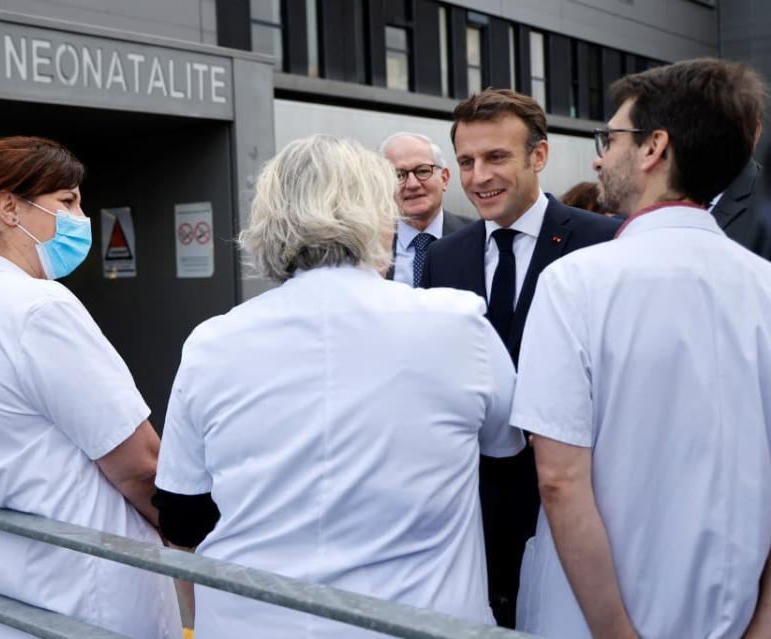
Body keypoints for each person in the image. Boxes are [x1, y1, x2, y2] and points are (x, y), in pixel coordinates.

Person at [153, 134, 524, 639]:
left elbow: (181, 519)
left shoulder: (213, 343)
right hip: (419, 623)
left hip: (254, 624)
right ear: (376, 216)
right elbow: (507, 450)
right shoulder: (456, 326)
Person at [512, 58, 771, 638]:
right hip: (731, 620)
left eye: (611, 138)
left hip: (591, 621)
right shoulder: (766, 288)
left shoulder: (574, 282)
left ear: (655, 147)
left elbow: (558, 479)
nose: (600, 156)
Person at [0, 136, 180, 638]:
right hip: (82, 595)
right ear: (8, 207)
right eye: (66, 201)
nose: (80, 217)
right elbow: (140, 465)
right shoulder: (40, 308)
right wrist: (189, 534)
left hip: (6, 587)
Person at [418, 88, 620, 628]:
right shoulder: (443, 256)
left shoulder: (603, 242)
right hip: (474, 508)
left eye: (496, 157)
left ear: (540, 156)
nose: (478, 175)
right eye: (465, 161)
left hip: (578, 500)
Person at [378, 132, 471, 286]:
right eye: (398, 175)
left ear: (444, 178)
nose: (412, 184)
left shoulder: (479, 238)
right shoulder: (366, 247)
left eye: (422, 171)